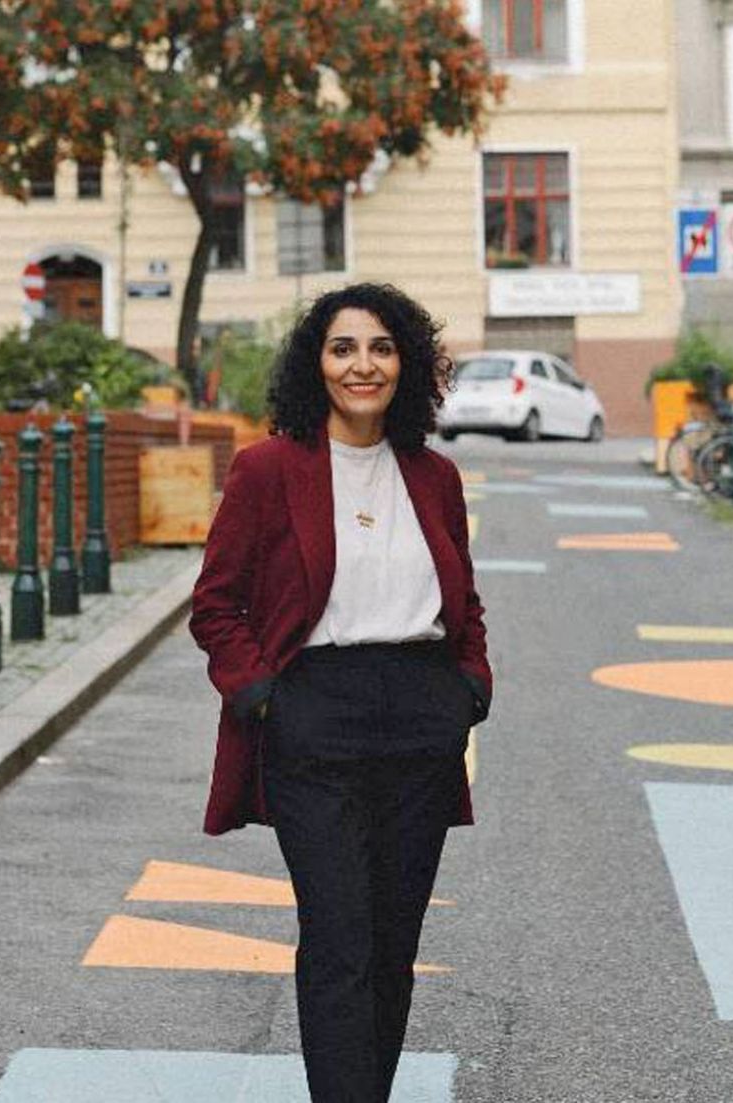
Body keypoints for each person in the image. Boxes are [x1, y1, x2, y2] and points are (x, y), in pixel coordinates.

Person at [189, 282, 491, 1102]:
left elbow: (463, 601)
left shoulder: (433, 475)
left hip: (422, 720)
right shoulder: (268, 469)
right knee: (338, 936)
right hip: (314, 717)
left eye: (383, 348)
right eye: (344, 348)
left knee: (393, 944)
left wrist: (469, 684)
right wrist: (261, 695)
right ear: (315, 363)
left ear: (409, 363)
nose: (364, 365)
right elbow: (216, 604)